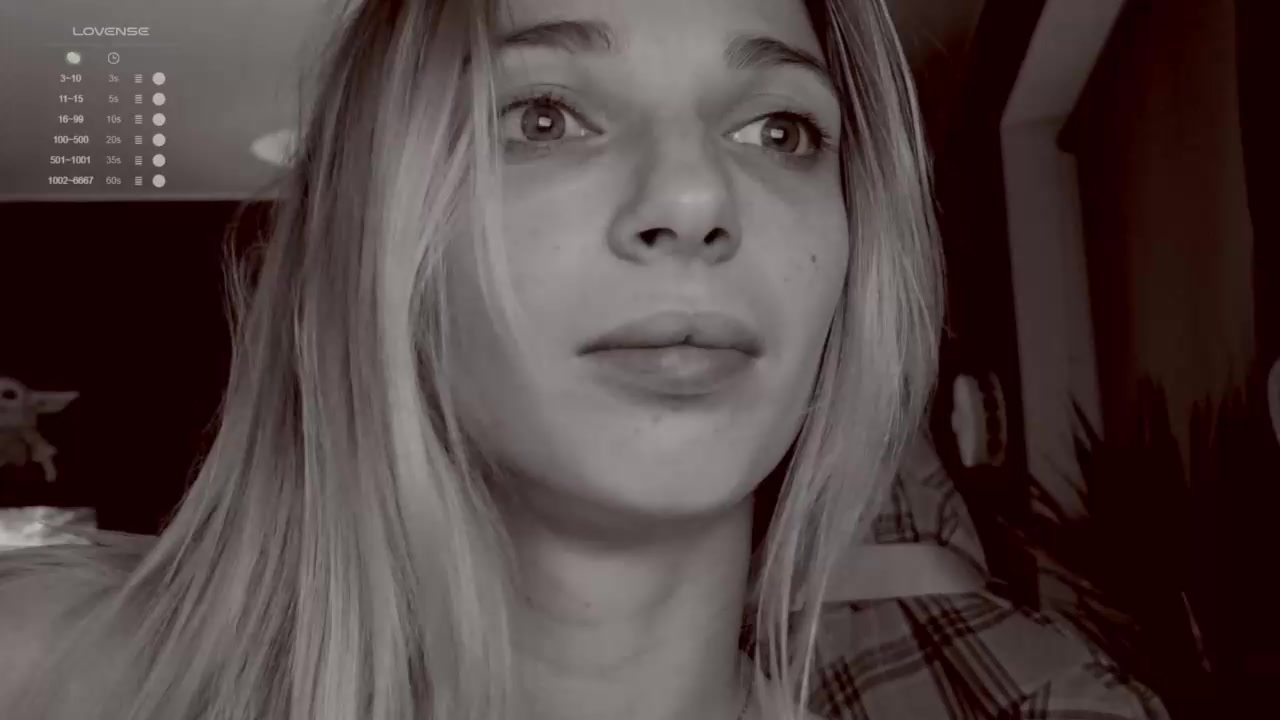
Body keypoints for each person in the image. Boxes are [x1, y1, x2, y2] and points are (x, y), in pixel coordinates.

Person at [0, 1, 1165, 719]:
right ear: (377, 234)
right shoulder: (43, 672)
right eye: (544, 116)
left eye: (778, 128)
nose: (696, 196)